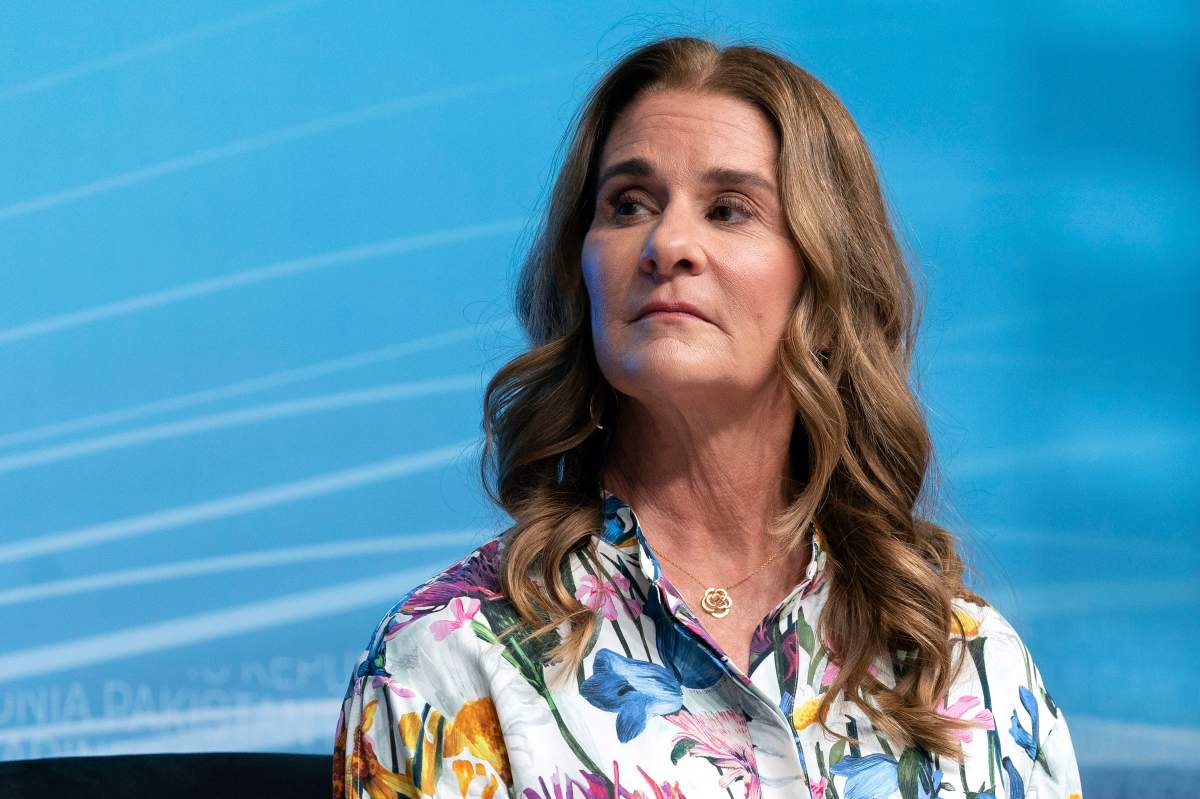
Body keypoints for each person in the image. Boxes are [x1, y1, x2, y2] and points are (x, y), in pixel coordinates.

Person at [332, 35, 1083, 799]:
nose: (667, 244)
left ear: (824, 291)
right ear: (582, 269)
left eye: (730, 209)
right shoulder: (448, 660)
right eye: (628, 204)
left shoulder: (970, 663)